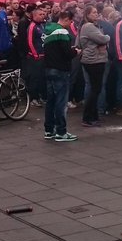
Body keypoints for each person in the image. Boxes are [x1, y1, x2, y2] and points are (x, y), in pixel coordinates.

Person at [42, 10, 78, 142]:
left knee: (50, 101)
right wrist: (76, 51)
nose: (71, 24)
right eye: (71, 21)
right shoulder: (62, 32)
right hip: (60, 70)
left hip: (49, 69)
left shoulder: (48, 30)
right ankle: (61, 132)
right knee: (61, 102)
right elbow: (67, 53)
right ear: (67, 19)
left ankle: (49, 130)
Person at [78, 6, 110, 127]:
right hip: (93, 61)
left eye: (97, 12)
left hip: (96, 59)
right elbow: (103, 38)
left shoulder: (92, 26)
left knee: (95, 89)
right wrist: (107, 38)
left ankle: (94, 116)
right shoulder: (89, 26)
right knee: (95, 89)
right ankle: (87, 117)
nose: (97, 14)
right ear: (87, 14)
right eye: (94, 13)